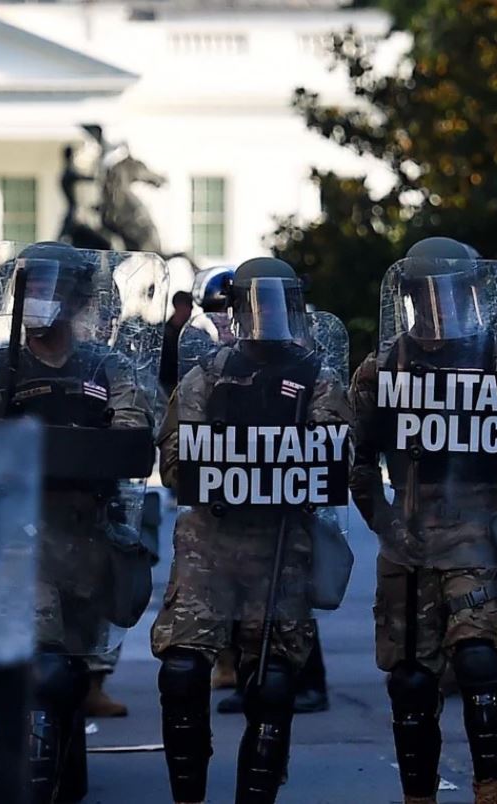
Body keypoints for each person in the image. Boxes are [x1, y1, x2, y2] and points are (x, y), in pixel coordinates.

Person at [349, 237, 497, 804]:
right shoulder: (385, 367)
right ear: (410, 296)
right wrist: (383, 521)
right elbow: (357, 457)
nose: (439, 306)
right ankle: (419, 795)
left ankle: (491, 791)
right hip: (409, 541)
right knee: (412, 683)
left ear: (471, 292)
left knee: (481, 667)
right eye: (426, 293)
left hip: (479, 536)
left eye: (449, 292)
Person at [152, 257, 351, 804]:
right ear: (238, 307)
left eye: (276, 302)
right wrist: (230, 460)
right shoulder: (207, 375)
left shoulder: (317, 377)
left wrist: (264, 458)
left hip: (280, 548)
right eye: (255, 302)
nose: (265, 313)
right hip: (208, 547)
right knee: (182, 673)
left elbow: (333, 461)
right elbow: (174, 464)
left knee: (272, 684)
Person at [0, 241, 159, 801]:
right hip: (18, 544)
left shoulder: (106, 367)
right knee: (39, 673)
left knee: (70, 677)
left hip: (85, 541)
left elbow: (129, 444)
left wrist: (59, 449)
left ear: (75, 297)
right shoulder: (0, 370)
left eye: (49, 288)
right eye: (29, 287)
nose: (36, 301)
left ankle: (65, 775)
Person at [158, 291, 193, 396]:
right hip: (165, 387)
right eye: (187, 306)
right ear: (178, 306)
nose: (190, 311)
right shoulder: (163, 333)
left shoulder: (189, 333)